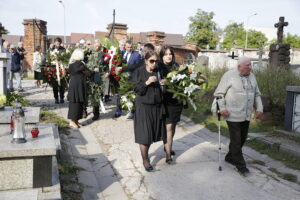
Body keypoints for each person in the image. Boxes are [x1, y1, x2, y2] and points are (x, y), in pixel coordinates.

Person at [214, 56, 263, 176]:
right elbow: (219, 94)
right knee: (236, 140)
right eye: (247, 65)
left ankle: (230, 157)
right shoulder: (229, 75)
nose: (250, 67)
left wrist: (260, 108)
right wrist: (223, 108)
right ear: (239, 67)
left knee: (242, 138)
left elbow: (257, 94)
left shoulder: (252, 76)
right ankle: (241, 166)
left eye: (250, 65)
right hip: (232, 114)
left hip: (246, 114)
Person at [133, 50, 168, 171]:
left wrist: (164, 84)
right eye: (151, 61)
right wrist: (147, 82)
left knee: (152, 134)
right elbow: (137, 89)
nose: (154, 63)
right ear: (145, 61)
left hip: (156, 107)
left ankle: (148, 156)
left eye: (156, 61)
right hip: (143, 107)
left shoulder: (158, 71)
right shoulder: (139, 72)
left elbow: (163, 91)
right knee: (145, 135)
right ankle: (145, 160)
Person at [115, 43, 155, 119]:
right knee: (120, 94)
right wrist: (122, 69)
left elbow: (135, 66)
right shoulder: (122, 53)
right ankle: (120, 111)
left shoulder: (153, 61)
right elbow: (135, 66)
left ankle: (134, 113)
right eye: (144, 50)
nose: (144, 52)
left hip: (144, 83)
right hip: (129, 80)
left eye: (145, 50)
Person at [159, 46, 182, 157]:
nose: (168, 56)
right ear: (162, 56)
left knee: (173, 126)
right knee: (168, 126)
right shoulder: (159, 67)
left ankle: (167, 145)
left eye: (170, 54)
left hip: (176, 101)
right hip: (165, 100)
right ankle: (168, 151)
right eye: (166, 54)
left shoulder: (177, 66)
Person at [67, 48, 93, 128]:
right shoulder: (80, 64)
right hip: (78, 85)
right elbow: (89, 73)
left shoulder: (71, 63)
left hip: (74, 84)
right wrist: (94, 71)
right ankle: (72, 121)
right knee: (76, 103)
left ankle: (76, 121)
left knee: (77, 102)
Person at [51, 37, 66, 104]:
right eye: (56, 43)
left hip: (61, 69)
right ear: (54, 43)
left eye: (58, 43)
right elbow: (49, 59)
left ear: (60, 43)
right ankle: (56, 98)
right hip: (54, 69)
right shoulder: (51, 50)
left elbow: (66, 59)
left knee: (62, 85)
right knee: (55, 85)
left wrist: (62, 61)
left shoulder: (63, 50)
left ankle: (62, 97)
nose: (57, 44)